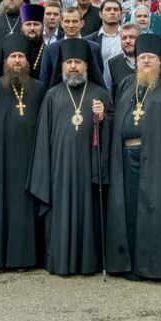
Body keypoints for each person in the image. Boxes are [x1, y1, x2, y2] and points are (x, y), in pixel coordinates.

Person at [105, 34, 161, 280]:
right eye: (142, 57)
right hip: (124, 157)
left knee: (153, 212)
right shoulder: (125, 84)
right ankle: (128, 264)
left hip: (157, 159)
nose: (145, 61)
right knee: (127, 211)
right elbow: (115, 119)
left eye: (151, 58)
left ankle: (153, 266)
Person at [28, 38, 111, 276]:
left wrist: (104, 117)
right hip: (59, 169)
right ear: (62, 65)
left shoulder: (100, 93)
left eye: (78, 62)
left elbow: (112, 131)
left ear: (87, 65)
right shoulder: (53, 95)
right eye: (69, 62)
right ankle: (59, 261)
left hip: (89, 168)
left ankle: (88, 263)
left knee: (89, 213)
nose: (73, 67)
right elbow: (43, 135)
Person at [0, 34, 46, 271]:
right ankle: (1, 258)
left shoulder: (39, 89)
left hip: (31, 161)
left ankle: (27, 259)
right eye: (12, 57)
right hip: (2, 164)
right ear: (5, 61)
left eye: (21, 56)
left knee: (28, 209)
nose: (17, 61)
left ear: (27, 61)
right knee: (3, 209)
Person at [39, 6, 103, 88]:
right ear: (61, 23)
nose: (71, 25)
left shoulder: (94, 48)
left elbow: (98, 78)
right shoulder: (50, 50)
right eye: (67, 21)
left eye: (75, 21)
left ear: (82, 23)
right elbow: (45, 80)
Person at [105, 22, 140, 100]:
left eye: (132, 37)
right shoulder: (111, 64)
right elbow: (108, 95)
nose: (127, 41)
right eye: (124, 38)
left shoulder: (149, 61)